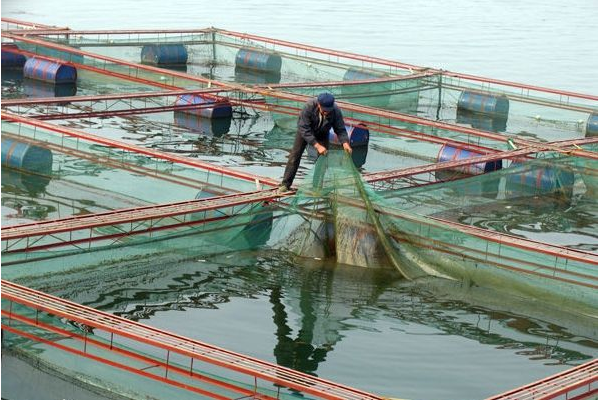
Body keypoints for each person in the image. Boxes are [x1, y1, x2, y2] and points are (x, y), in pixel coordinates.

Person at [278, 92, 352, 193]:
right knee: (294, 156)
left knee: (322, 159)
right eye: (324, 110)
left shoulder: (335, 111)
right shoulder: (309, 107)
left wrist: (345, 142)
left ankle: (317, 187)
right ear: (319, 105)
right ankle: (285, 184)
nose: (327, 113)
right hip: (305, 132)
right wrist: (317, 145)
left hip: (322, 132)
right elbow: (304, 128)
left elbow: (340, 129)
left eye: (329, 111)